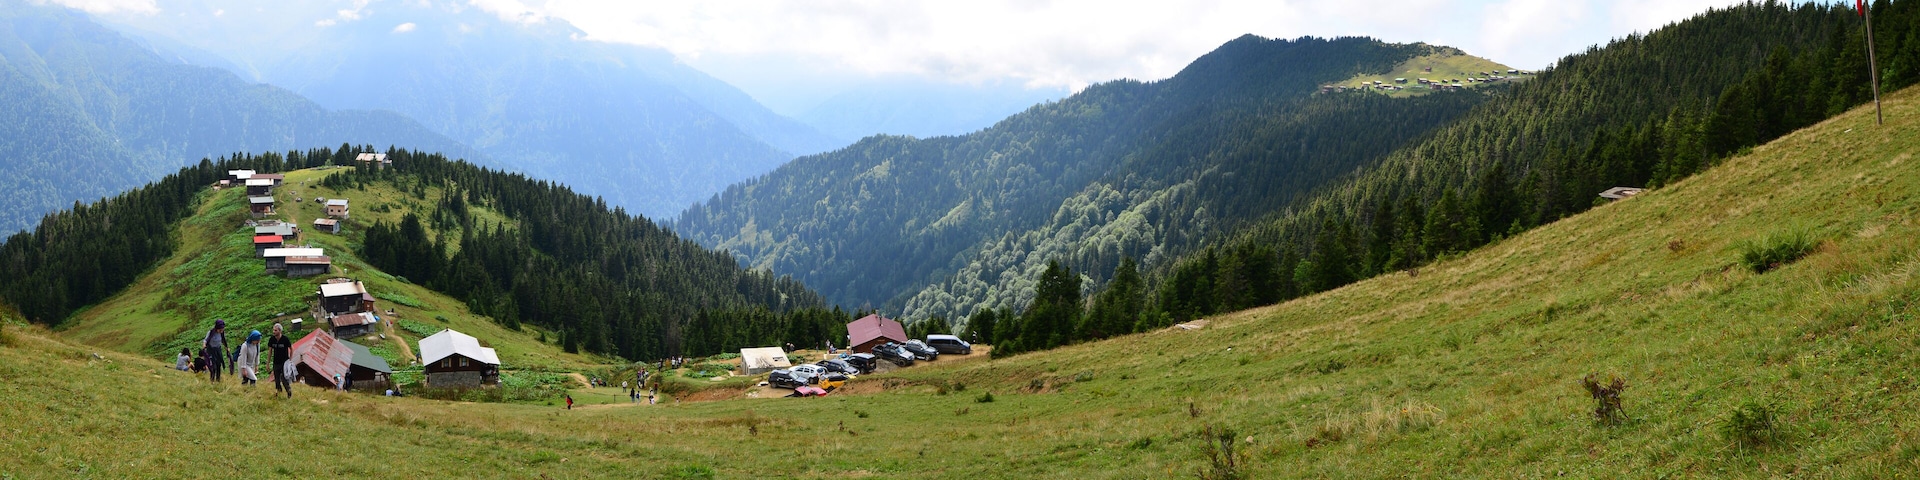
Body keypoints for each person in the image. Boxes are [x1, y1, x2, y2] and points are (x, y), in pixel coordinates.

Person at [268, 323, 293, 398]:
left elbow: (291, 348)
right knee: (277, 378)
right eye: (273, 330)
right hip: (276, 362)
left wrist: (290, 360)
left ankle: (288, 391)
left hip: (284, 362)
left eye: (275, 330)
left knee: (284, 378)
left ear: (280, 331)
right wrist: (268, 363)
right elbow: (270, 351)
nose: (274, 332)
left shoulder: (285, 339)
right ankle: (279, 392)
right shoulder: (272, 339)